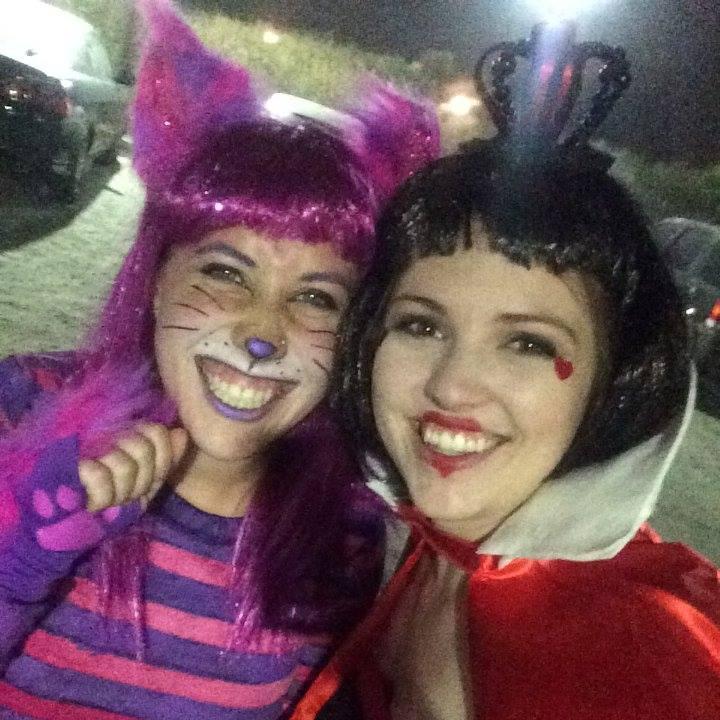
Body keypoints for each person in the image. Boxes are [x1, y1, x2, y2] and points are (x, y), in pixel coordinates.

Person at [0, 0, 439, 717]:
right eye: (227, 273)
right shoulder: (21, 405)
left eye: (317, 298)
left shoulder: (345, 532)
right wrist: (17, 563)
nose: (263, 335)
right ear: (157, 274)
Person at [289, 136, 720, 717]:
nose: (451, 387)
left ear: (613, 379)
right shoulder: (417, 542)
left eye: (527, 343)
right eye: (421, 326)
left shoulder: (652, 654)